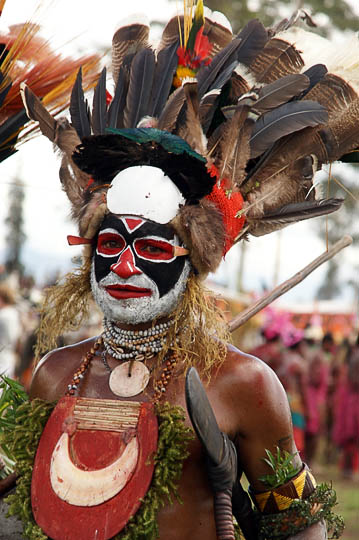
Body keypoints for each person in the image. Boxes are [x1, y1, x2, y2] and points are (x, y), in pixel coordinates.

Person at [4, 2, 357, 538]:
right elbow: (21, 514)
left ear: (191, 262)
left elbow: (301, 526)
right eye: (110, 244)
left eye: (149, 248)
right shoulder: (54, 373)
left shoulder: (242, 385)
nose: (124, 264)